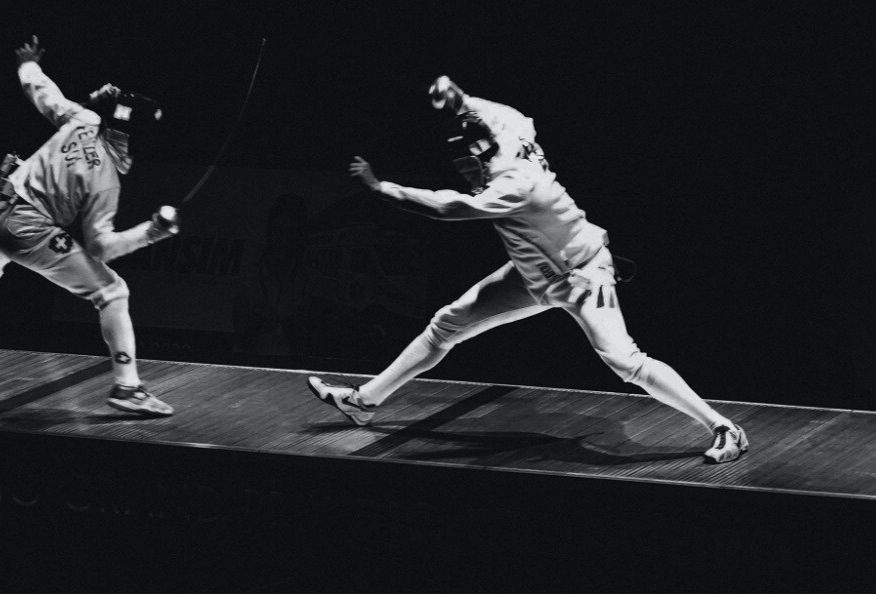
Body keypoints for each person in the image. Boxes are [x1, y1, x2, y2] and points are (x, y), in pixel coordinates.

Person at [307, 76, 748, 463]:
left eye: (467, 166)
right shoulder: (510, 127)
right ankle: (364, 402)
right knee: (447, 324)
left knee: (624, 361)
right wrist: (459, 98)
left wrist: (379, 187)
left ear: (481, 158)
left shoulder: (514, 185)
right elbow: (495, 112)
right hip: (530, 275)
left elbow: (447, 208)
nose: (465, 174)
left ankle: (724, 427)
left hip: (583, 277)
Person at [0, 36, 180, 417]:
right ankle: (127, 387)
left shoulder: (85, 119)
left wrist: (28, 64)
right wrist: (151, 233)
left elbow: (42, 93)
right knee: (112, 292)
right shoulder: (106, 180)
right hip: (26, 228)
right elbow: (101, 248)